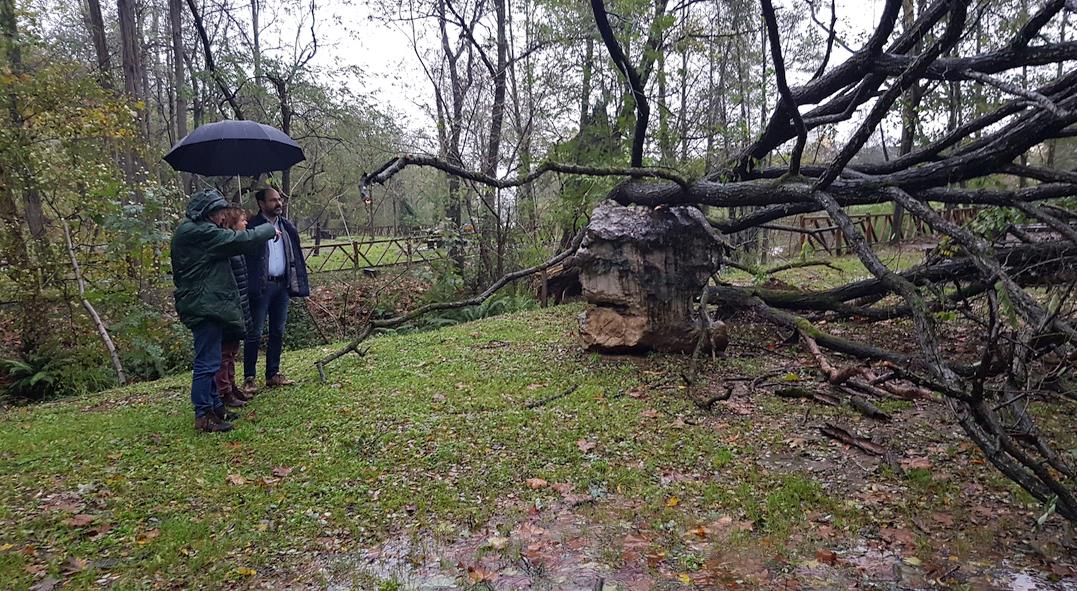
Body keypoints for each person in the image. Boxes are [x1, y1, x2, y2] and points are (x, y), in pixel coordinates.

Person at [171, 189, 279, 433]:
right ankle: (204, 413)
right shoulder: (198, 232)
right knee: (207, 362)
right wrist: (268, 229)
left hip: (208, 303)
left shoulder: (197, 230)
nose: (222, 219)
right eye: (220, 214)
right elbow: (236, 241)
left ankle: (215, 406)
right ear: (209, 212)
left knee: (212, 359)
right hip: (203, 304)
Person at [243, 186, 310, 394]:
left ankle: (273, 373)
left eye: (279, 199)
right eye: (273, 200)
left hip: (282, 286)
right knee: (255, 332)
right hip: (261, 287)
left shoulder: (287, 227)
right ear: (262, 204)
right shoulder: (253, 228)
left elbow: (296, 256)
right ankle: (249, 377)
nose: (278, 203)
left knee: (278, 331)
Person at [212, 206, 254, 408]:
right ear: (232, 223)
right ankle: (224, 390)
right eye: (242, 221)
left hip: (240, 303)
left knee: (233, 350)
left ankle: (231, 385)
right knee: (225, 352)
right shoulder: (226, 246)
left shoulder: (237, 247)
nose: (246, 224)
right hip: (229, 305)